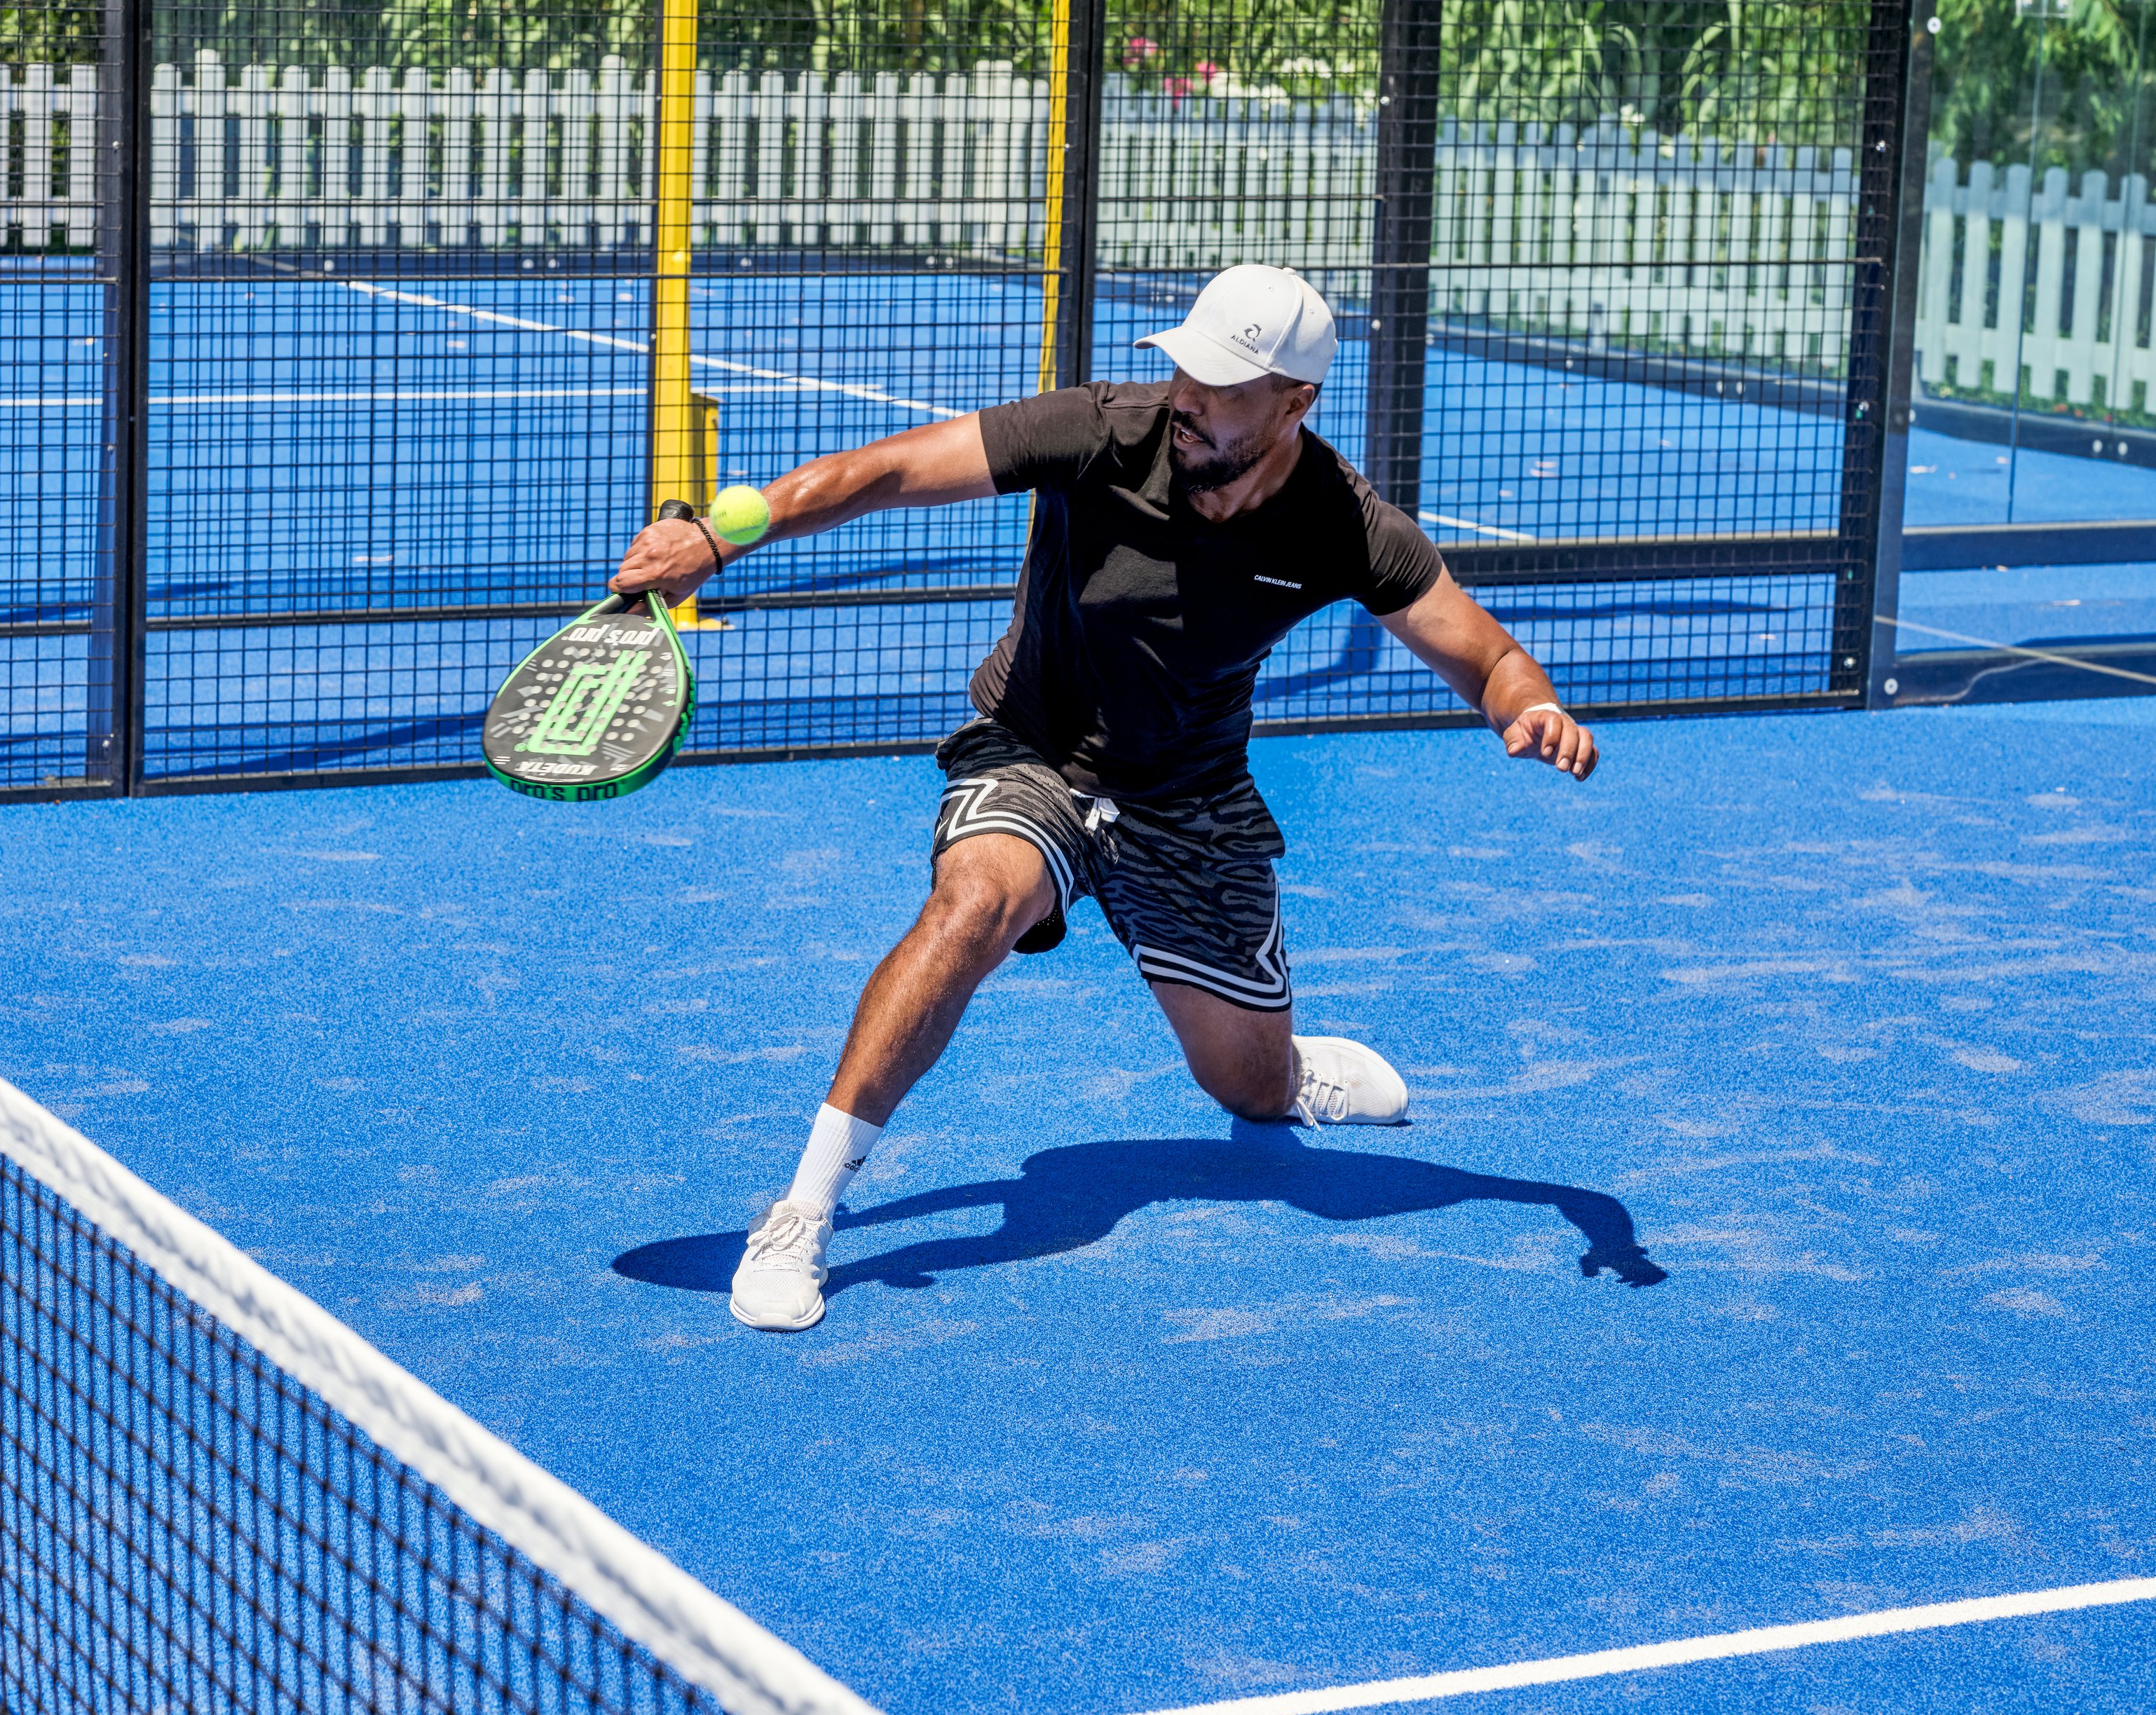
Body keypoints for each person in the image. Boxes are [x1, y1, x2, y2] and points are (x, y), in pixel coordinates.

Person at [608, 264, 1600, 1334]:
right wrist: (722, 533)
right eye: (1186, 370)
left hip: (1190, 798)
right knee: (973, 908)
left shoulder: (1342, 524)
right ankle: (803, 1210)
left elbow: (1486, 655)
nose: (1189, 398)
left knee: (1250, 1095)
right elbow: (886, 469)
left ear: (1295, 402)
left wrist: (1526, 708)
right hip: (1034, 751)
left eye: (1222, 387)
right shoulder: (1097, 431)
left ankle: (1285, 1067)